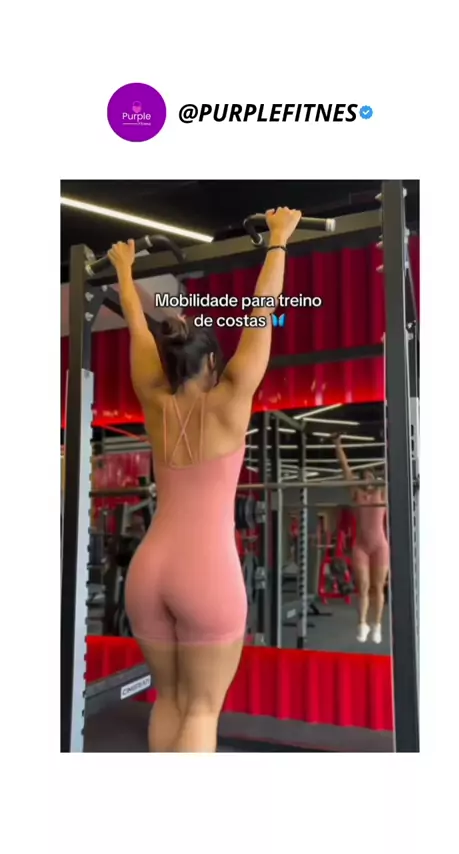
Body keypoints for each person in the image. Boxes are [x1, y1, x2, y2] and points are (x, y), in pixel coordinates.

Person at [107, 207, 302, 752]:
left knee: (169, 699)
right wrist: (279, 239)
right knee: (201, 708)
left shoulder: (154, 398)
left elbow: (138, 325)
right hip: (205, 574)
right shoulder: (231, 399)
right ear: (214, 363)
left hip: (150, 570)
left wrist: (124, 269)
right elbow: (261, 312)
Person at [333, 436, 389, 644]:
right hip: (361, 547)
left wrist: (391, 441)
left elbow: (390, 467)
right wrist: (338, 445)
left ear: (375, 479)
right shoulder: (356, 493)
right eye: (363, 477)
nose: (367, 480)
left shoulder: (382, 493)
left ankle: (377, 625)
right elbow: (345, 469)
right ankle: (362, 623)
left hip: (379, 546)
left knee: (378, 587)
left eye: (370, 476)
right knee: (364, 587)